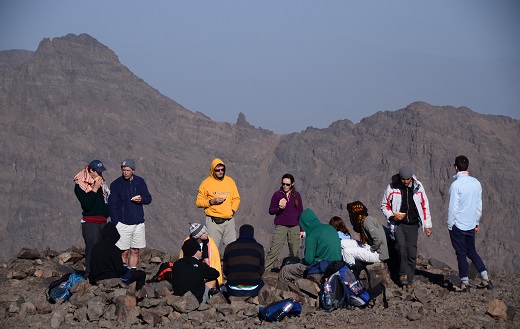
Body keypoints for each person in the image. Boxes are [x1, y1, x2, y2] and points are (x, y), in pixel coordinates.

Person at [381, 165, 432, 287]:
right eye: (403, 179)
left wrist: (427, 225)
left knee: (411, 251)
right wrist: (392, 216)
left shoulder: (418, 187)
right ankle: (403, 275)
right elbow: (384, 205)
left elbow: (425, 206)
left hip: (413, 225)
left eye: (407, 179)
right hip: (399, 224)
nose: (405, 182)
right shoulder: (392, 187)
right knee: (401, 247)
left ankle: (410, 277)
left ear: (411, 178)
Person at [448, 155, 492, 292]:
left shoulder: (456, 185)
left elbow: (452, 208)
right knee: (472, 251)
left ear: (456, 167)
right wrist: (477, 222)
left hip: (458, 225)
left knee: (461, 253)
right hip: (471, 224)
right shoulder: (476, 183)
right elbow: (479, 205)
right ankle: (486, 279)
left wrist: (450, 224)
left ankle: (464, 283)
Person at [108, 158, 152, 270]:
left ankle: (131, 273)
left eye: (128, 170)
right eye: (123, 170)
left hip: (138, 223)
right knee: (123, 251)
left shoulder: (139, 182)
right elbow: (112, 204)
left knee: (135, 250)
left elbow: (148, 198)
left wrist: (141, 199)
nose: (125, 172)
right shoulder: (116, 184)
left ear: (133, 170)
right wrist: (116, 222)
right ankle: (123, 273)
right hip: (123, 224)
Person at [73, 159, 110, 276]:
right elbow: (87, 204)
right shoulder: (81, 185)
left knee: (103, 249)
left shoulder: (102, 184)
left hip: (103, 221)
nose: (100, 174)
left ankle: (101, 272)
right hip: (91, 223)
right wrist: (94, 189)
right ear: (91, 170)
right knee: (92, 248)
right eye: (98, 172)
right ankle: (90, 274)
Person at [196, 158, 240, 251]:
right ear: (213, 170)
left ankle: (230, 265)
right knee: (212, 248)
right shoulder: (206, 183)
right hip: (213, 221)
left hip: (229, 221)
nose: (220, 172)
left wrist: (232, 210)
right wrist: (212, 202)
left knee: (232, 248)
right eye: (217, 170)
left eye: (222, 169)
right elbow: (198, 202)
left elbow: (236, 198)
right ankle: (212, 265)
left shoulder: (230, 181)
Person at [89, 222, 146, 291]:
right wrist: (128, 269)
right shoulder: (114, 249)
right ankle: (139, 296)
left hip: (95, 279)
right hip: (112, 279)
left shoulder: (95, 247)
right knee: (141, 274)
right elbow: (120, 270)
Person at [265, 174, 304, 271]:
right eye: (283, 184)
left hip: (294, 225)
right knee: (274, 248)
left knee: (295, 250)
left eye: (287, 184)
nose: (285, 186)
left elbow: (300, 212)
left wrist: (302, 229)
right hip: (281, 225)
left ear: (292, 184)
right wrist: (279, 208)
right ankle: (266, 269)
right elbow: (271, 210)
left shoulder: (297, 195)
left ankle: (294, 271)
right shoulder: (277, 195)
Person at [171, 238, 220, 304]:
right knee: (213, 280)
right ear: (195, 251)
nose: (201, 251)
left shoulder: (176, 264)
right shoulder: (200, 265)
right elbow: (216, 273)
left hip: (179, 300)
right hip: (197, 301)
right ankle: (210, 301)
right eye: (199, 249)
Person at [222, 224, 265, 297]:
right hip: (253, 289)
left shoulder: (229, 247)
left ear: (240, 233)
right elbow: (261, 270)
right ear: (252, 234)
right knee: (262, 282)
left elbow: (225, 270)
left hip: (233, 288)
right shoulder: (259, 247)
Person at [343, 201, 389, 266]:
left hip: (378, 254)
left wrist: (371, 249)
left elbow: (378, 238)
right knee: (342, 243)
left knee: (347, 252)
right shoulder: (364, 221)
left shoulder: (367, 222)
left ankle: (352, 271)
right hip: (369, 246)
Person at [179, 223, 222, 287]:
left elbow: (214, 260)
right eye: (204, 233)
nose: (207, 233)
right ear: (198, 236)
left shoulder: (210, 243)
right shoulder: (188, 244)